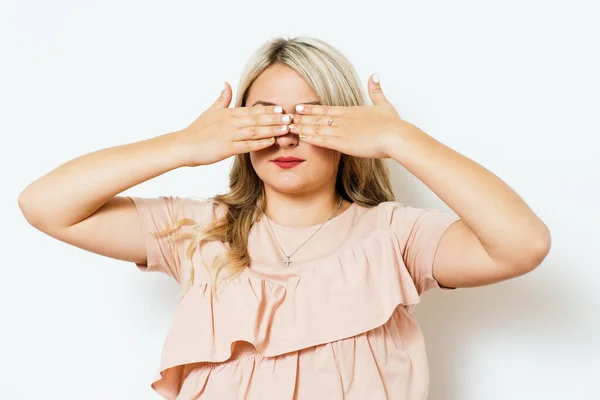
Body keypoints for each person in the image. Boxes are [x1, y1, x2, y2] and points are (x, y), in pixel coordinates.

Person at [18, 36, 551, 400]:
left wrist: (401, 140)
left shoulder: (397, 237)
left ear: (350, 127)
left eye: (312, 116)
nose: (287, 135)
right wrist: (183, 145)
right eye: (265, 116)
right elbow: (45, 205)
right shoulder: (198, 232)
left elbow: (522, 244)